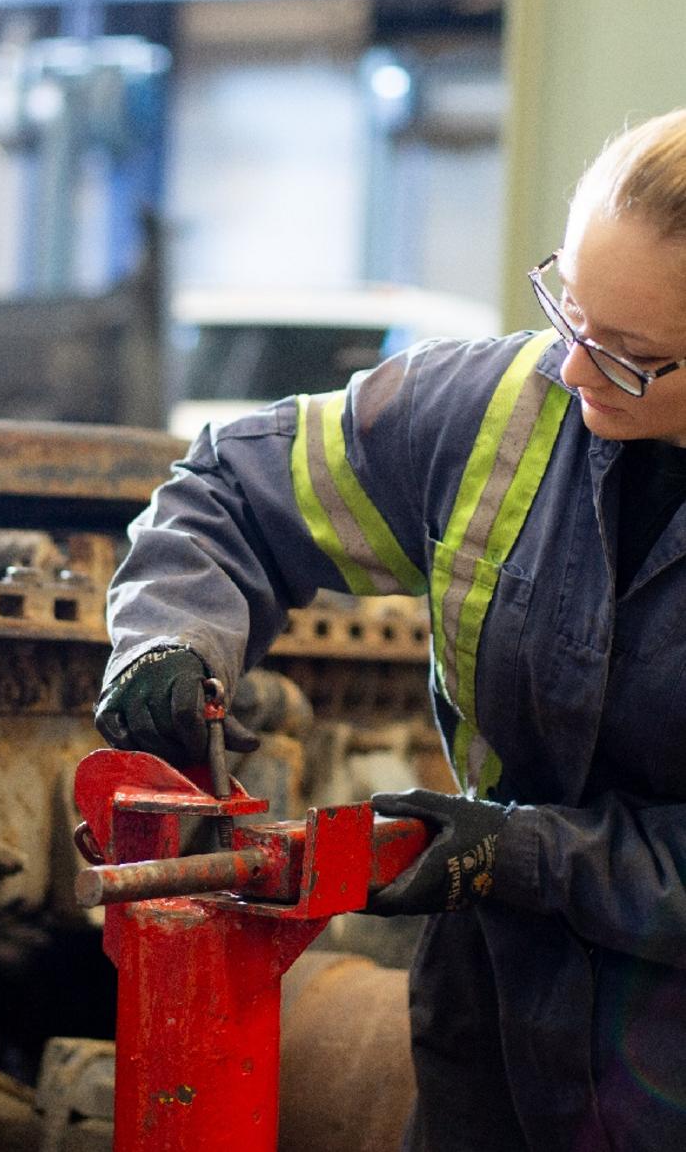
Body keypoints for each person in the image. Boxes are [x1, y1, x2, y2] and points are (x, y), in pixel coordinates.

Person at [95, 108, 686, 1152]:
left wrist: (520, 853)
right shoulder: (501, 409)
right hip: (491, 1016)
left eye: (631, 357)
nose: (575, 372)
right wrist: (170, 639)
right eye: (569, 314)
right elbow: (230, 487)